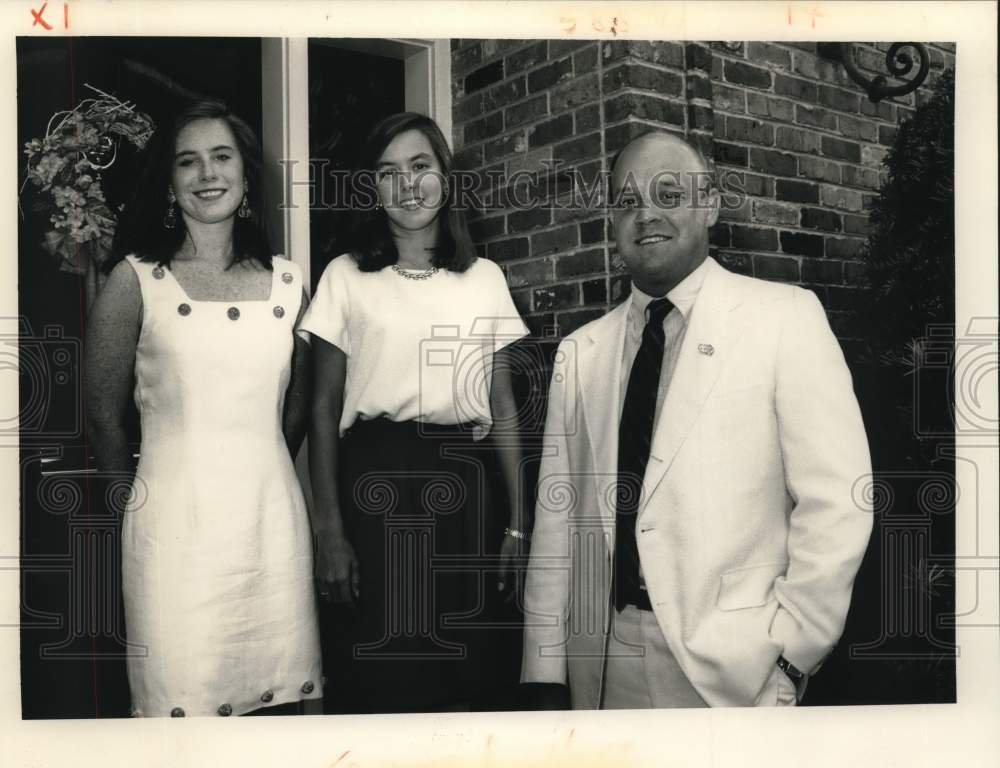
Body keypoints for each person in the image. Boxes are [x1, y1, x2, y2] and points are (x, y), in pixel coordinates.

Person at [520, 131, 873, 709]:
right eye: (627, 201)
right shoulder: (579, 353)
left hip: (735, 671)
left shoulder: (784, 318)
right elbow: (557, 520)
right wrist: (543, 668)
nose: (646, 214)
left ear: (709, 204)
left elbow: (840, 500)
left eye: (667, 193)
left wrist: (790, 654)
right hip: (606, 663)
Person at [85, 99, 321, 717]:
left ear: (245, 175)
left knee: (276, 724)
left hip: (271, 534)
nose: (207, 174)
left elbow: (294, 413)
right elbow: (103, 418)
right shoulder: (133, 281)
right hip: (173, 538)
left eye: (222, 157)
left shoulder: (291, 284)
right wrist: (136, 509)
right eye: (187, 162)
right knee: (178, 712)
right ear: (169, 181)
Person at [299, 112, 530, 714]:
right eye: (388, 172)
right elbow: (322, 412)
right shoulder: (346, 276)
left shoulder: (485, 278)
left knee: (472, 679)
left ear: (445, 178)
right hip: (372, 493)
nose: (407, 184)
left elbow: (503, 407)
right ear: (372, 189)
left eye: (420, 166)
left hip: (467, 496)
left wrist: (518, 524)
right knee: (384, 678)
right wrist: (329, 532)